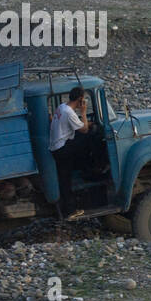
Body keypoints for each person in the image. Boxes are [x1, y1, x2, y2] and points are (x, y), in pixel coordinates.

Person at [49, 86, 93, 219]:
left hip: (57, 146)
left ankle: (85, 169)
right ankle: (69, 210)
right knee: (65, 179)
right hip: (62, 149)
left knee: (64, 177)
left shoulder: (62, 107)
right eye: (84, 99)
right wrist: (84, 112)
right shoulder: (70, 112)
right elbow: (84, 129)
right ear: (80, 99)